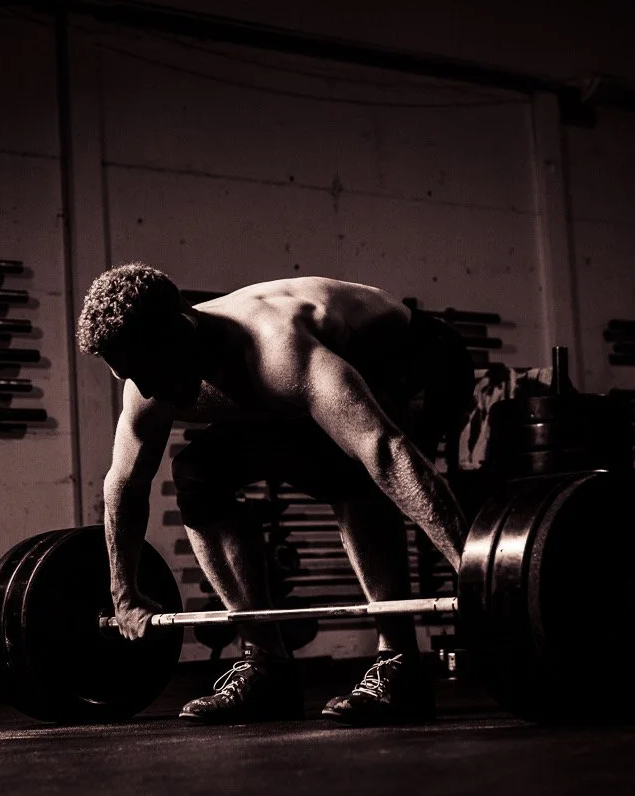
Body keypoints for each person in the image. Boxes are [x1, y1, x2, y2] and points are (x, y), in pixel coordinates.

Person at [76, 264, 476, 725]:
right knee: (199, 474)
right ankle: (266, 661)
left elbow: (383, 449)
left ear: (182, 328)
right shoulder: (148, 385)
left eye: (148, 371)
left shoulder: (277, 346)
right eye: (128, 376)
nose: (144, 390)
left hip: (422, 361)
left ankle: (399, 661)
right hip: (320, 386)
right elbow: (124, 484)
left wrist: (476, 570)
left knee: (350, 467)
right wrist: (123, 590)